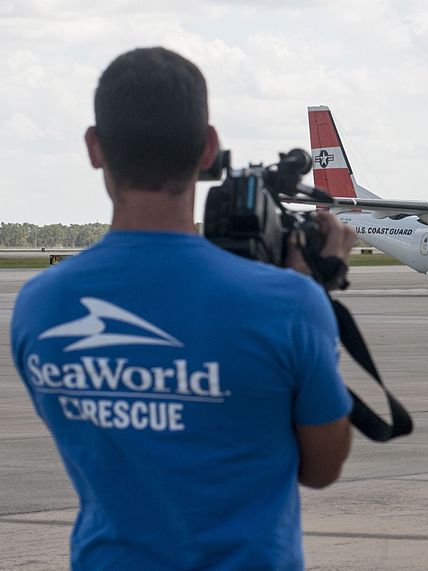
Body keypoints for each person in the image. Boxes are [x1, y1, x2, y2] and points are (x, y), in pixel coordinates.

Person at [10, 47, 356, 570]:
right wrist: (315, 299)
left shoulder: (40, 305)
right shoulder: (288, 304)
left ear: (94, 147)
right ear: (208, 148)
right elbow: (323, 466)